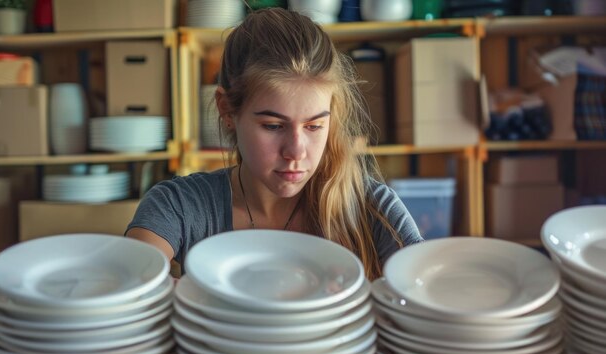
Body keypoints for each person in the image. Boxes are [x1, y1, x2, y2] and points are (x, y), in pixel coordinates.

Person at [126, 7, 422, 280]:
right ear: (227, 110)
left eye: (314, 126)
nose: (296, 151)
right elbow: (129, 285)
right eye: (273, 126)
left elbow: (426, 292)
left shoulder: (374, 207)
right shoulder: (179, 205)